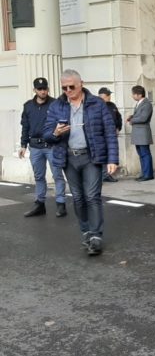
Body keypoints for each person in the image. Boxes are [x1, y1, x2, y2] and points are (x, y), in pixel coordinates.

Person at [43, 69, 119, 255]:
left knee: (92, 196)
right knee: (78, 197)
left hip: (91, 156)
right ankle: (86, 231)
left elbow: (109, 132)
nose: (68, 90)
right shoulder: (56, 106)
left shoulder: (97, 103)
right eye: (64, 87)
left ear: (81, 84)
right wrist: (56, 133)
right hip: (68, 157)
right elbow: (46, 133)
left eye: (71, 86)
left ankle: (96, 235)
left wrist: (113, 159)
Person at [19, 77, 67, 217]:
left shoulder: (55, 104)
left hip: (52, 145)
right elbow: (25, 126)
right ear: (34, 90)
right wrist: (23, 145)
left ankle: (61, 204)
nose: (43, 91)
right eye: (40, 89)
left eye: (45, 88)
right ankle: (39, 204)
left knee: (57, 175)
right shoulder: (28, 106)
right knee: (38, 176)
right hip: (35, 146)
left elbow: (63, 124)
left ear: (48, 89)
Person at [126, 85, 154, 181]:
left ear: (139, 94)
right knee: (141, 154)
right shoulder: (139, 103)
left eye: (133, 94)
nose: (132, 96)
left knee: (145, 154)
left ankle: (148, 174)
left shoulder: (147, 104)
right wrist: (132, 116)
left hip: (143, 133)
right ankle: (144, 173)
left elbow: (143, 117)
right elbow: (139, 115)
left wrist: (132, 120)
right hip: (138, 133)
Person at [98, 87, 122, 182]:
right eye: (108, 95)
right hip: (102, 135)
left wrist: (118, 128)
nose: (110, 97)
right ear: (102, 96)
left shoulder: (112, 105)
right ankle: (103, 175)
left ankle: (107, 175)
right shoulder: (96, 105)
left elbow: (118, 117)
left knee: (110, 154)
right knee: (103, 155)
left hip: (112, 135)